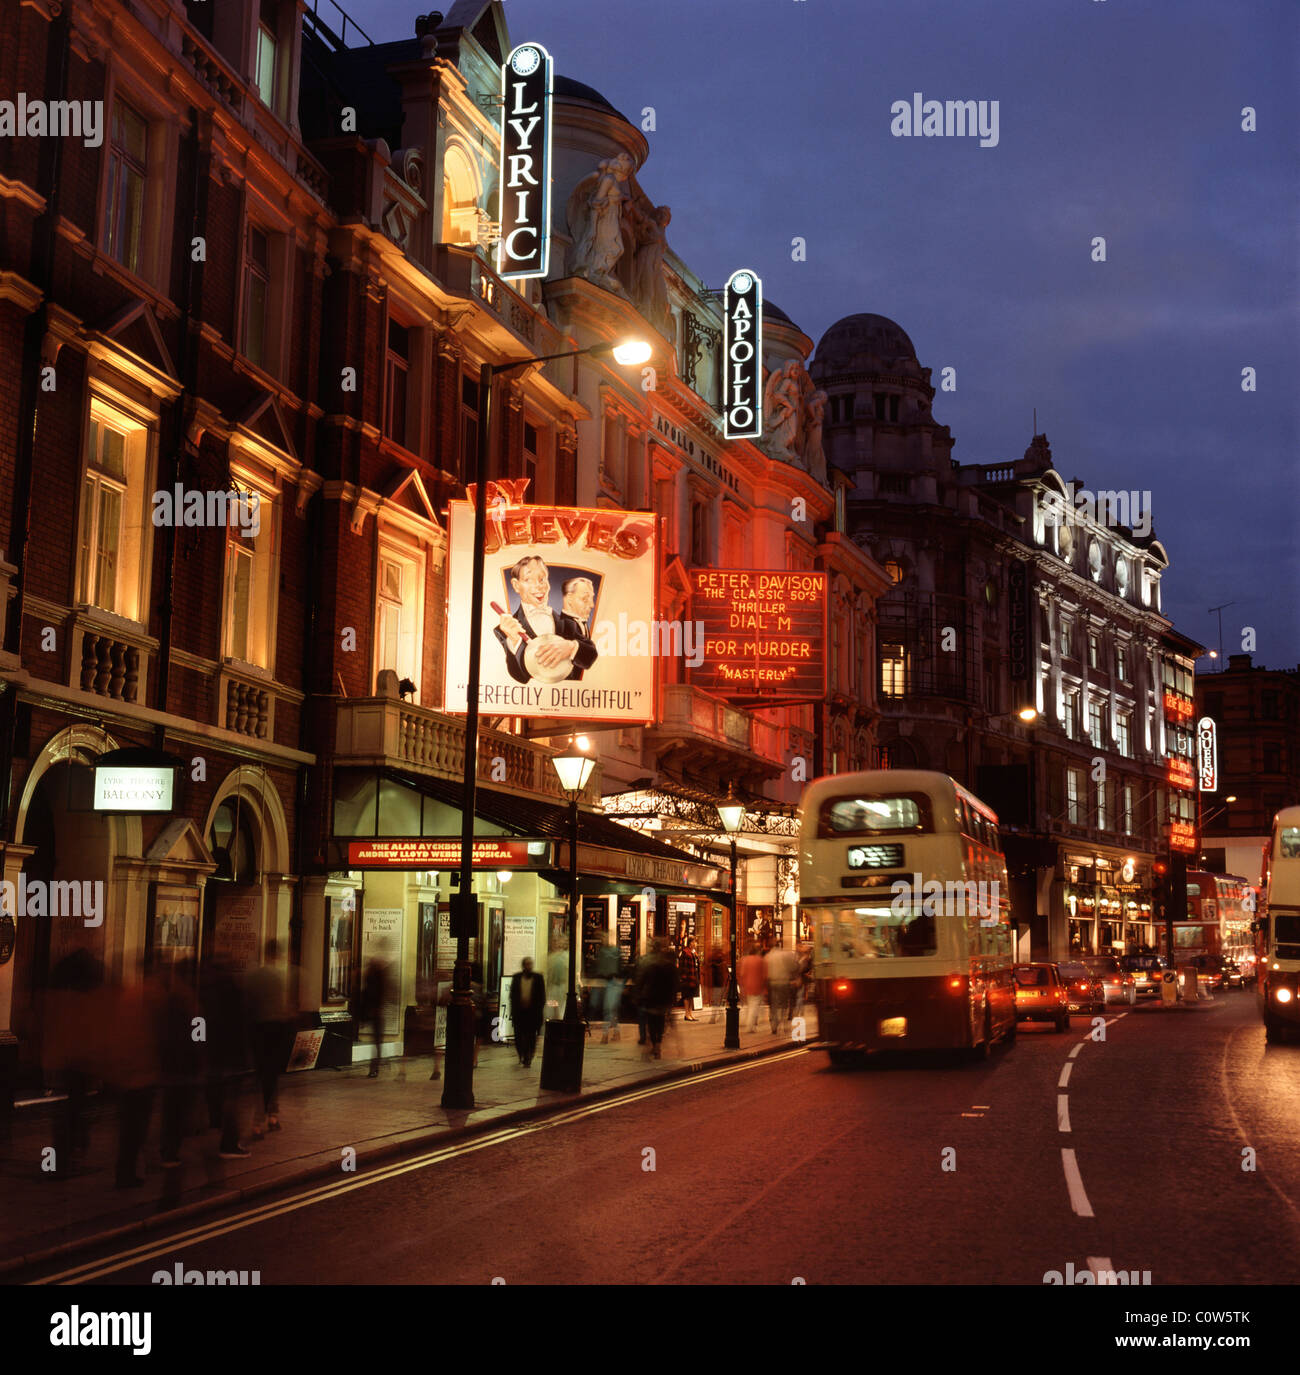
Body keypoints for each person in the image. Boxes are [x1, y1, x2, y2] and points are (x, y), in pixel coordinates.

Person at [493, 555, 598, 684]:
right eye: (528, 580)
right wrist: (514, 641)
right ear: (516, 585)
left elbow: (591, 655)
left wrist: (572, 647)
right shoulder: (504, 630)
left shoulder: (569, 624)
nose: (538, 586)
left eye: (542, 579)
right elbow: (520, 678)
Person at [243, 938, 288, 1131]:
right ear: (275, 955)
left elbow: (248, 1004)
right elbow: (281, 1006)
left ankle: (258, 1120)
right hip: (274, 1029)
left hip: (257, 1029)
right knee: (272, 1075)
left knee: (259, 1075)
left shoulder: (254, 976)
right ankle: (272, 1115)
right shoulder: (278, 977)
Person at [633, 939, 678, 1059]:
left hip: (651, 997)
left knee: (652, 1023)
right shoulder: (668, 963)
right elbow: (674, 982)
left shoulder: (649, 962)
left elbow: (642, 979)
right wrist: (673, 998)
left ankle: (655, 1045)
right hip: (663, 998)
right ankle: (658, 1044)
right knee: (660, 1022)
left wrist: (638, 995)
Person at [358, 954, 392, 1078]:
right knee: (377, 1041)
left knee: (377, 1041)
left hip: (373, 1012)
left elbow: (367, 996)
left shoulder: (373, 979)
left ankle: (375, 1067)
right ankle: (375, 1067)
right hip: (375, 1012)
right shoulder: (377, 979)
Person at [509, 957, 546, 1068]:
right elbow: (513, 995)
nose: (528, 966)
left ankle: (528, 1056)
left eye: (530, 964)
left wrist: (539, 1010)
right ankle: (522, 1053)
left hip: (532, 1012)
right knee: (519, 1036)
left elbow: (542, 996)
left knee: (531, 1036)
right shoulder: (516, 977)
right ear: (523, 965)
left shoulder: (538, 978)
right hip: (519, 1012)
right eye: (527, 964)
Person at [765, 943, 799, 1035]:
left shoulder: (768, 956)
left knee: (773, 1005)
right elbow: (793, 967)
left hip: (772, 982)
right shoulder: (784, 955)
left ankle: (774, 1025)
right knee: (784, 1004)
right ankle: (784, 1024)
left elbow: (765, 970)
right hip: (783, 982)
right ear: (780, 947)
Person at [594, 938, 622, 1042]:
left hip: (612, 983)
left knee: (608, 1009)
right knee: (611, 1010)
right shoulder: (612, 952)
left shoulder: (607, 952)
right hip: (611, 983)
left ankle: (605, 1035)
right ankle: (616, 1031)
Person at [738, 944, 767, 1033]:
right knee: (754, 1007)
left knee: (749, 1005)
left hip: (747, 985)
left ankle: (748, 1023)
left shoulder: (745, 960)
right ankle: (750, 1026)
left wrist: (742, 984)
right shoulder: (760, 960)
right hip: (757, 986)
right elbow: (764, 975)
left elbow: (742, 973)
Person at [677, 939, 700, 1021]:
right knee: (687, 996)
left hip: (693, 977)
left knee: (691, 996)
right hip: (688, 978)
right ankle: (687, 1014)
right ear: (690, 943)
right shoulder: (685, 952)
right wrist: (684, 977)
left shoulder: (693, 952)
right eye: (694, 942)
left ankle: (690, 1013)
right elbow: (683, 966)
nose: (696, 943)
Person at [708, 947, 727, 1023]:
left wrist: (712, 964)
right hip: (719, 982)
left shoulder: (717, 963)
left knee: (716, 1000)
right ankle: (721, 1016)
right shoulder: (721, 961)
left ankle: (713, 1018)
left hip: (718, 983)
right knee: (717, 1000)